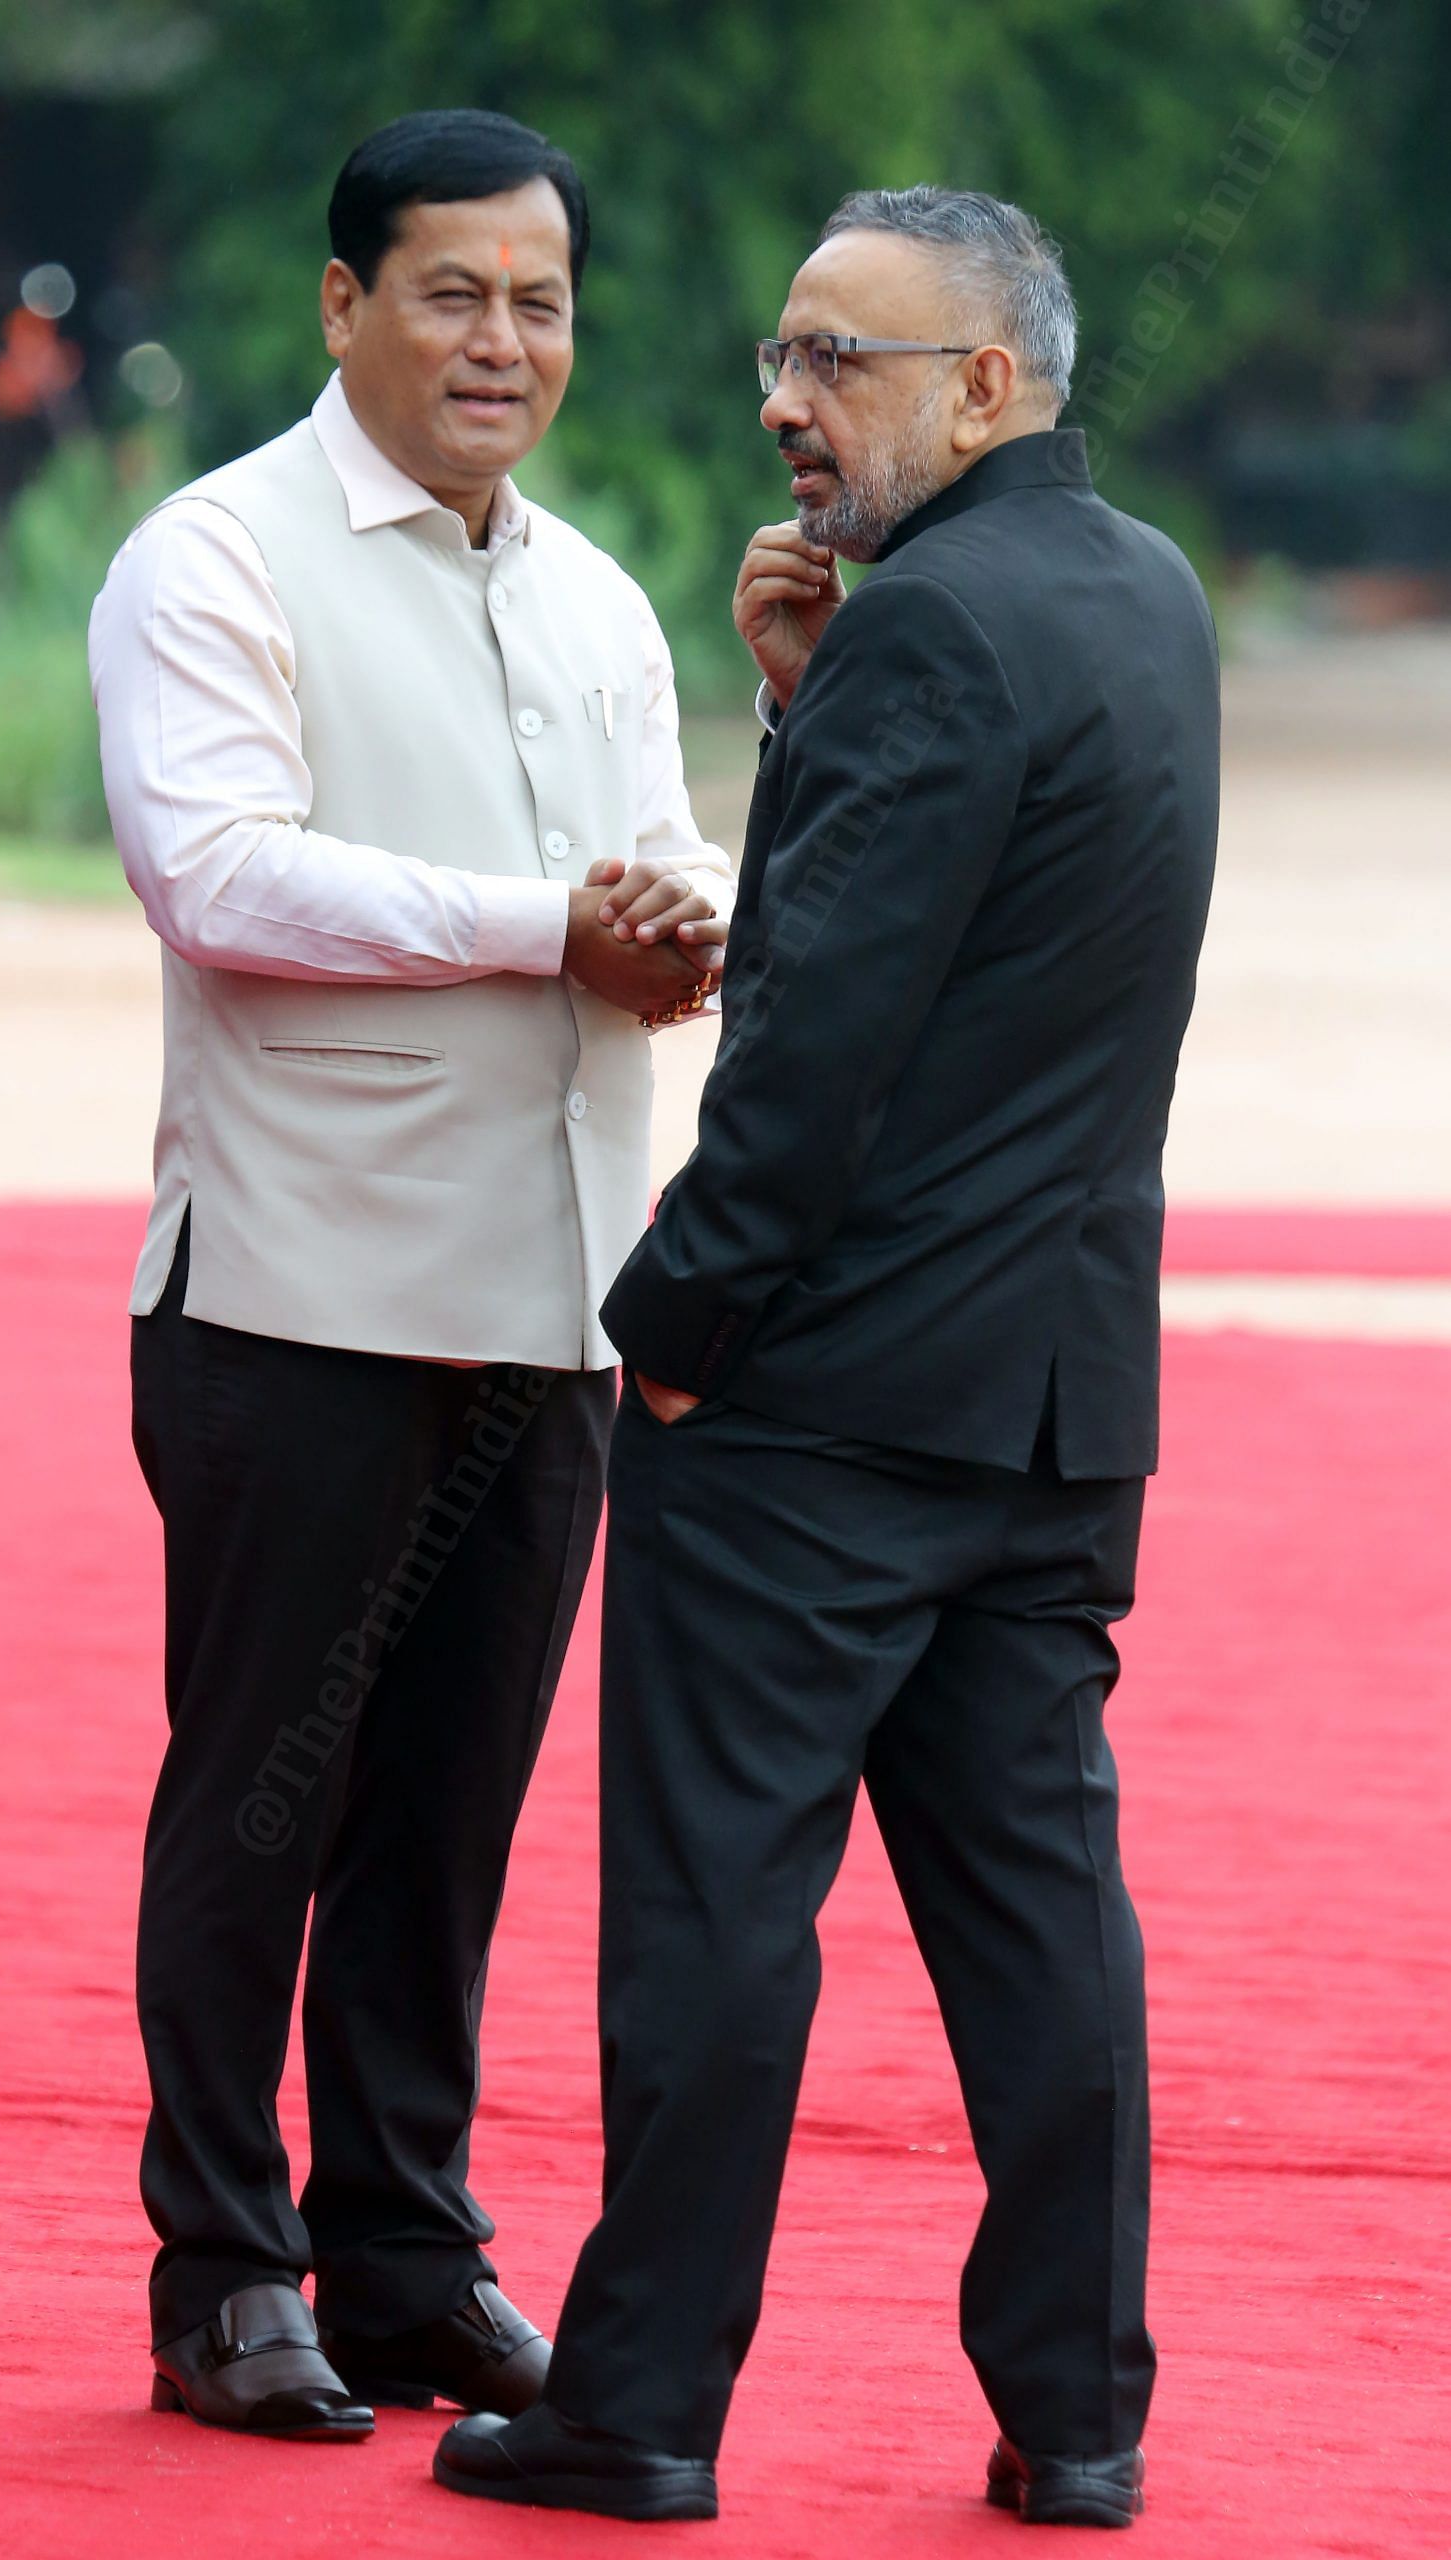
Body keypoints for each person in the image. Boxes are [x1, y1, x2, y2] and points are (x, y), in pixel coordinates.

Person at [434, 185, 1220, 2527]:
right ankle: (1076, 2417)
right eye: (780, 354)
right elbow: (999, 964)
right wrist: (799, 696)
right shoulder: (1142, 600)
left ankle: (637, 2404)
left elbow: (812, 1048)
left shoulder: (934, 633)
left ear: (983, 383)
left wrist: (664, 1329)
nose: (784, 401)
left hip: (813, 1418)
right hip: (1053, 1405)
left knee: (706, 1915)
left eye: (839, 360)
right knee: (1040, 1918)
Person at [88, 108, 733, 2442]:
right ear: (340, 301)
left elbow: (653, 871)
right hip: (295, 1295)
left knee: (449, 1808)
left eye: (539, 299)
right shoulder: (213, 556)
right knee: (260, 1791)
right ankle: (220, 2265)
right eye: (451, 291)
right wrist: (540, 924)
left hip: (552, 1298)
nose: (501, 340)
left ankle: (400, 2250)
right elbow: (219, 876)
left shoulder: (589, 592)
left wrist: (670, 933)